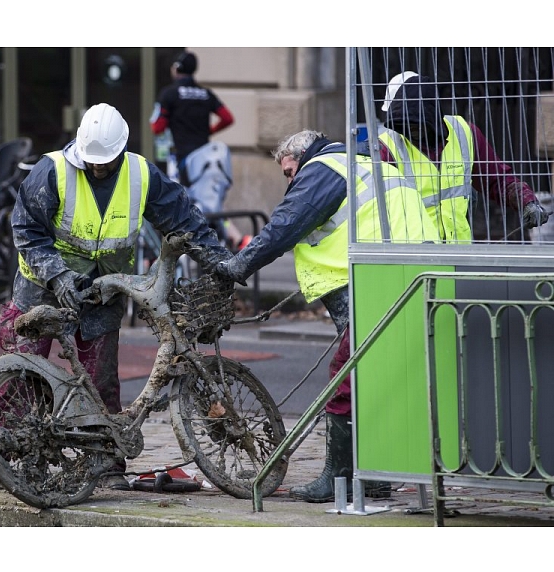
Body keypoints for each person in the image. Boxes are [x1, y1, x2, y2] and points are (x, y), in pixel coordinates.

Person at [0, 102, 231, 490]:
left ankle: (105, 461)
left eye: (105, 162)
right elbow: (27, 232)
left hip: (103, 289)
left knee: (101, 380)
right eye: (92, 162)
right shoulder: (53, 172)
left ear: (121, 151)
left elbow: (183, 218)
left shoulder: (140, 174)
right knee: (21, 374)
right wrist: (59, 277)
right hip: (41, 288)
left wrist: (218, 260)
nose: (98, 168)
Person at [213, 129, 440, 503]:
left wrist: (236, 267)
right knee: (377, 379)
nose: (291, 180)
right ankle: (374, 476)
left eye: (289, 171)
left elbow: (282, 228)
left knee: (345, 378)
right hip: (412, 274)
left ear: (302, 157)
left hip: (380, 282)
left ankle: (336, 477)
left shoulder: (324, 168)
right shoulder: (364, 163)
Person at [378, 71, 549, 242]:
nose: (408, 129)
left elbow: (496, 178)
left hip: (458, 249)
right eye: (401, 123)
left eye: (414, 123)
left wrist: (527, 202)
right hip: (411, 251)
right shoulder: (387, 147)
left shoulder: (464, 134)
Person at [150, 50, 249, 251]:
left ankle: (169, 252)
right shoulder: (206, 94)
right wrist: (209, 130)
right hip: (206, 159)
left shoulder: (169, 93)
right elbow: (227, 118)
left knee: (177, 206)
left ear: (176, 69)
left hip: (184, 161)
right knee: (212, 206)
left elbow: (156, 127)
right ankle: (237, 239)